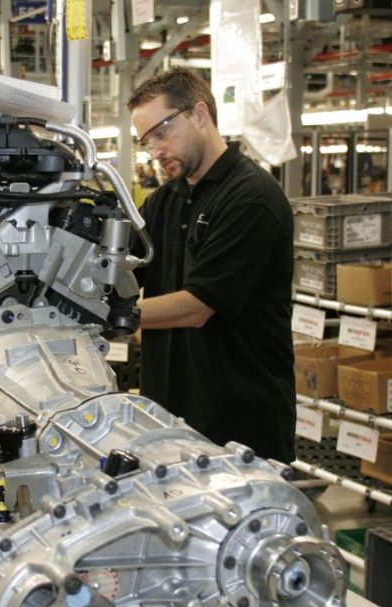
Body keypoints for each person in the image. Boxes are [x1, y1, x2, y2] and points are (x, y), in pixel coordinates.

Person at [127, 67, 296, 463]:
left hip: (239, 426)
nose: (155, 151)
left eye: (161, 132)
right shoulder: (165, 201)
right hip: (170, 419)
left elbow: (199, 306)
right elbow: (123, 269)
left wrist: (108, 314)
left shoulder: (251, 198)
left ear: (199, 114)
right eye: (146, 141)